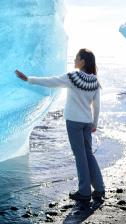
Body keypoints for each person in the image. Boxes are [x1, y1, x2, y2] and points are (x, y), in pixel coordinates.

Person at [15, 48, 105, 203]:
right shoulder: (95, 81)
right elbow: (97, 105)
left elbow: (51, 81)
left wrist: (29, 79)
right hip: (87, 122)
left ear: (83, 61)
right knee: (88, 154)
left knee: (80, 156)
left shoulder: (73, 77)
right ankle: (99, 189)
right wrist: (94, 123)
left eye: (77, 58)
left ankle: (84, 192)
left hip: (73, 121)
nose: (74, 60)